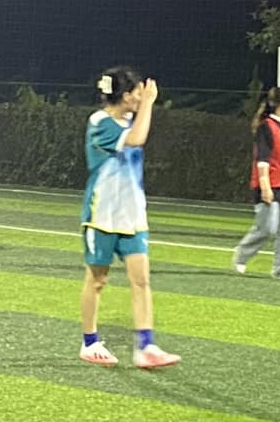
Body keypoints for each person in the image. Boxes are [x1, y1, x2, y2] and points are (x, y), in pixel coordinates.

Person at [79, 67, 181, 369]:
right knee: (97, 280)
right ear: (125, 95)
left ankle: (145, 346)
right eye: (137, 93)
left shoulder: (125, 121)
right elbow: (136, 139)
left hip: (132, 216)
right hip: (102, 216)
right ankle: (89, 342)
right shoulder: (100, 122)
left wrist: (144, 105)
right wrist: (148, 104)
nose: (140, 97)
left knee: (141, 280)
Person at [232, 87, 280, 279]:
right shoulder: (266, 127)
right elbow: (262, 159)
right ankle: (242, 254)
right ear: (278, 104)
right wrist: (265, 186)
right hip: (268, 182)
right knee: (267, 228)